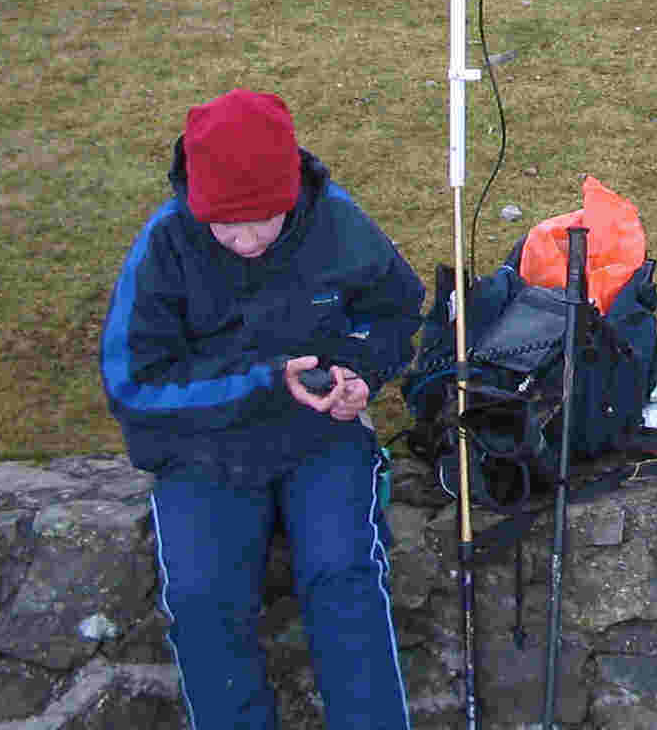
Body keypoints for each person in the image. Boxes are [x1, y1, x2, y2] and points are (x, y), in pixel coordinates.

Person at [100, 89, 425, 730]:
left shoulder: (336, 222)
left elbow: (395, 311)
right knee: (201, 597)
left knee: (345, 575)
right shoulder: (165, 246)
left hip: (321, 434)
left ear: (290, 194)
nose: (246, 240)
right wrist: (262, 384)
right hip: (205, 450)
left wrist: (363, 375)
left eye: (264, 220)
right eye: (225, 224)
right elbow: (133, 385)